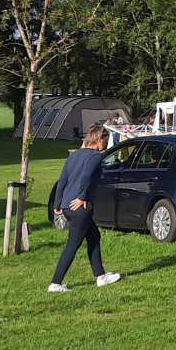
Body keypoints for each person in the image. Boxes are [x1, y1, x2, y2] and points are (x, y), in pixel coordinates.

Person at [49, 125, 121, 293]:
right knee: (73, 244)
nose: (107, 144)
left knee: (94, 237)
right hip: (80, 207)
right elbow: (87, 176)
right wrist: (82, 197)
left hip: (67, 206)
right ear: (99, 139)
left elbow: (62, 181)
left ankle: (101, 277)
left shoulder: (74, 156)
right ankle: (56, 283)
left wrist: (57, 205)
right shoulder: (95, 156)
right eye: (106, 140)